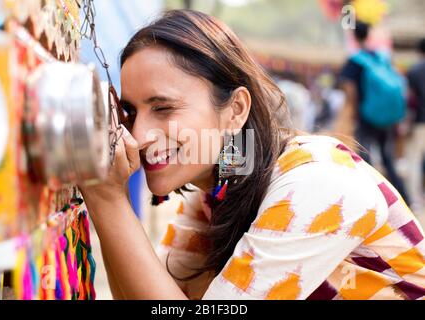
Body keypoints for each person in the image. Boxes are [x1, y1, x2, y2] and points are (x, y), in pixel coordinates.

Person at [79, 10, 424, 300]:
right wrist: (109, 198)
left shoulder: (316, 184)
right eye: (131, 113)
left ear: (236, 110)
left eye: (164, 108)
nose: (138, 136)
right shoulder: (217, 193)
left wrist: (109, 200)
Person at [340, 21, 410, 205]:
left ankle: (373, 199)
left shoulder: (355, 61)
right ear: (368, 35)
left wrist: (353, 111)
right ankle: (403, 198)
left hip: (366, 115)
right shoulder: (381, 58)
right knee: (387, 158)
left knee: (364, 155)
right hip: (386, 117)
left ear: (354, 36)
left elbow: (350, 89)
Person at [406, 38, 425, 211]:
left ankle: (415, 200)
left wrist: (406, 123)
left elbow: (411, 101)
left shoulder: (414, 70)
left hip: (420, 122)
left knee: (414, 161)